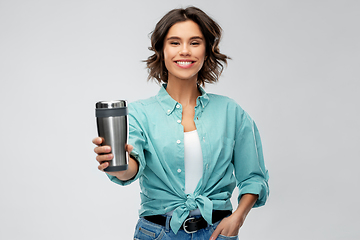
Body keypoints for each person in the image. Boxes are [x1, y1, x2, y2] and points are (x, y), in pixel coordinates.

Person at [93, 6, 269, 240]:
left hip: (217, 232)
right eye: (175, 43)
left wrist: (238, 217)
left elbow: (254, 177)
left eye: (195, 43)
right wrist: (117, 162)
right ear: (161, 51)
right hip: (157, 233)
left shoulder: (231, 112)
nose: (184, 51)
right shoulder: (138, 113)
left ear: (207, 50)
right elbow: (131, 169)